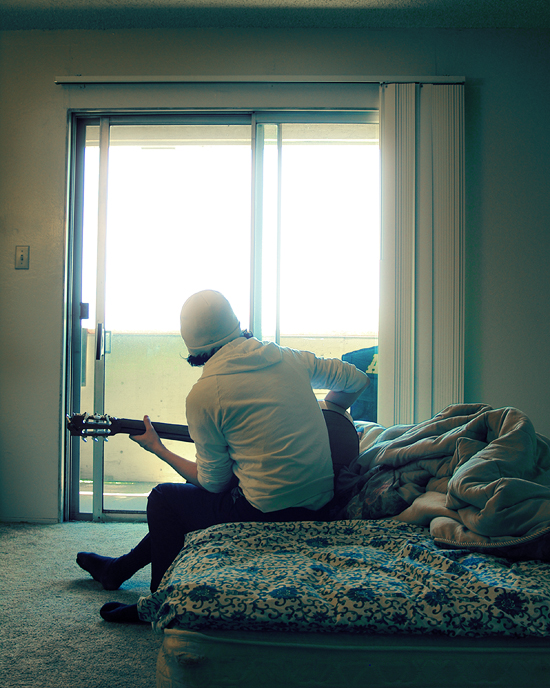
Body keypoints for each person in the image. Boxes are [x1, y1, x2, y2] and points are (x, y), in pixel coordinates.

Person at [77, 289, 369, 622]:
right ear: (239, 324)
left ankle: (158, 602)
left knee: (164, 500)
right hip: (320, 506)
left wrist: (158, 449)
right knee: (205, 495)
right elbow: (356, 379)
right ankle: (118, 569)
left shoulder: (205, 394)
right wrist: (330, 412)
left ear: (192, 349)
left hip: (267, 515)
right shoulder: (289, 357)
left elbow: (212, 485)